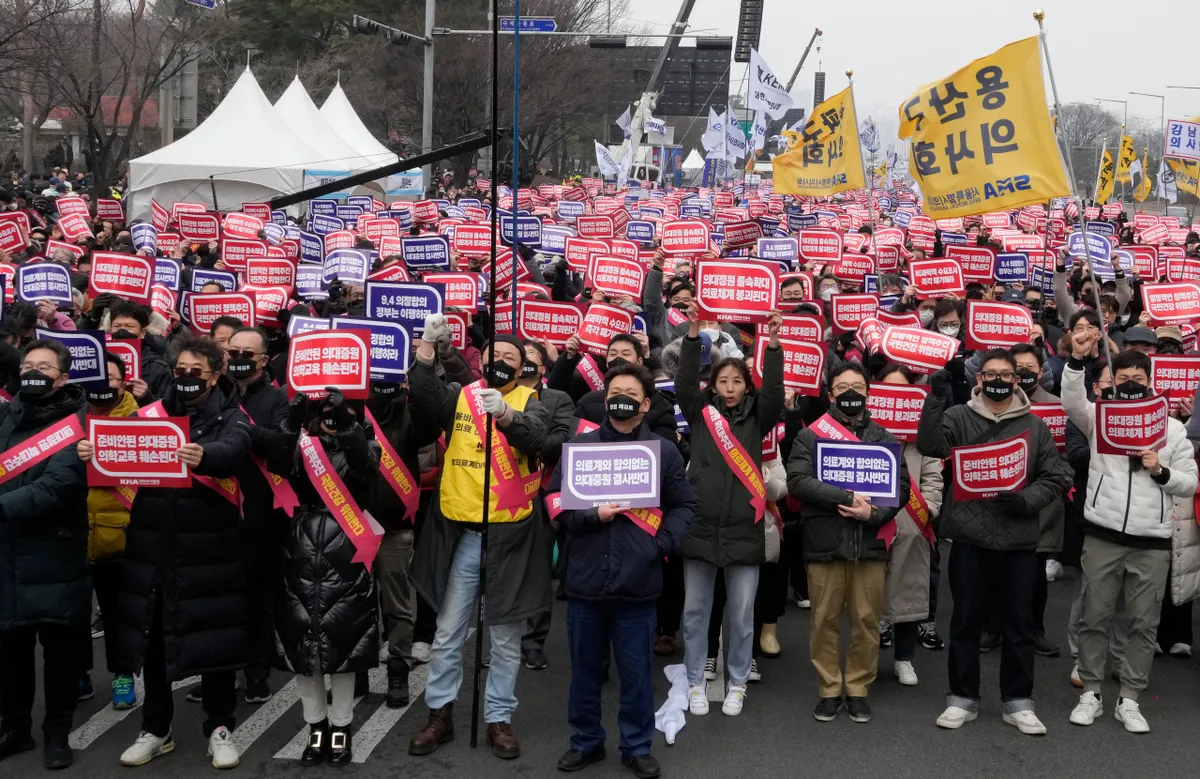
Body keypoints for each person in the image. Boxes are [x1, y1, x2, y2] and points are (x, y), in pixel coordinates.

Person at [99, 337, 252, 769]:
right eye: (180, 369)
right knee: (153, 640)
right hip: (152, 546)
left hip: (210, 549)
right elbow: (117, 453)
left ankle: (220, 727)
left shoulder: (230, 417)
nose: (186, 377)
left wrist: (204, 456)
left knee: (214, 640)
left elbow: (233, 452)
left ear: (215, 376)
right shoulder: (150, 416)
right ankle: (156, 728)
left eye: (197, 371)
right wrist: (95, 454)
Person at [407, 317, 552, 760]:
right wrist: (428, 351)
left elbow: (538, 439)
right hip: (463, 534)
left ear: (525, 366)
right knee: (449, 632)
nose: (503, 363)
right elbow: (428, 402)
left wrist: (506, 415)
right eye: (495, 357)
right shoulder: (461, 395)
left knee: (506, 638)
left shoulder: (535, 400)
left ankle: (498, 717)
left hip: (511, 537)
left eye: (512, 358)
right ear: (482, 362)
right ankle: (440, 713)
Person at [550, 362, 695, 779]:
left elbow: (685, 506)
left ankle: (636, 745)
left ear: (646, 404)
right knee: (584, 674)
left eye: (630, 392)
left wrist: (661, 545)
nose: (621, 397)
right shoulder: (581, 448)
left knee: (635, 676)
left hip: (638, 582)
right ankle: (586, 742)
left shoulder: (663, 452)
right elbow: (555, 502)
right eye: (614, 390)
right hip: (584, 582)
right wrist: (593, 515)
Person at [917, 348, 1071, 735]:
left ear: (1017, 381)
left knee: (1019, 625)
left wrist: (1027, 501)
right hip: (969, 540)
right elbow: (931, 445)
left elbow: (1058, 476)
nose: (998, 380)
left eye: (1007, 374)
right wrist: (935, 397)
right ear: (979, 379)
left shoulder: (1035, 427)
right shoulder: (957, 416)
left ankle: (1018, 701)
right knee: (965, 622)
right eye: (991, 374)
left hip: (1019, 542)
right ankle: (962, 698)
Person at [1061, 344, 1197, 733]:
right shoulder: (1098, 418)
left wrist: (1161, 470)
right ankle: (1090, 692)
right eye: (1123, 380)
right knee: (1094, 617)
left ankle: (1130, 699)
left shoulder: (1172, 428)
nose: (1132, 385)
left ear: (1151, 382)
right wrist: (1075, 361)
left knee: (1143, 624)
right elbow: (1071, 401)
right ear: (1112, 384)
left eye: (1139, 379)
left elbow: (1189, 482)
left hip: (1151, 542)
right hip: (1102, 535)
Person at [675, 303, 784, 718]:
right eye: (723, 380)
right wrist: (691, 334)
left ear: (746, 386)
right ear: (714, 385)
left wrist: (772, 346)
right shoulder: (700, 415)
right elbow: (685, 382)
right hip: (701, 526)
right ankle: (695, 682)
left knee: (741, 615)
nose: (731, 387)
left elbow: (773, 393)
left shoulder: (760, 418)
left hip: (744, 527)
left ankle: (737, 682)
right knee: (695, 612)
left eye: (738, 381)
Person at [787, 363, 910, 723]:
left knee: (866, 621)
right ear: (830, 394)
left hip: (869, 545)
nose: (851, 393)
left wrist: (870, 515)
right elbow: (797, 480)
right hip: (824, 542)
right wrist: (846, 496)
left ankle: (857, 688)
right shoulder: (811, 436)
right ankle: (828, 688)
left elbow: (899, 489)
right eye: (843, 387)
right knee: (823, 620)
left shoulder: (883, 438)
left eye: (858, 386)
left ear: (869, 393)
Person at [267, 388, 380, 765]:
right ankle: (315, 725)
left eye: (343, 407)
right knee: (306, 648)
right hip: (300, 547)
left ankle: (342, 725)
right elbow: (278, 464)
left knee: (343, 645)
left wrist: (349, 425)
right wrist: (291, 419)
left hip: (347, 547)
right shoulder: (304, 443)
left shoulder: (365, 439)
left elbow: (366, 466)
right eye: (327, 408)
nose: (333, 414)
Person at [0, 339, 88, 769]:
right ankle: (15, 728)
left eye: (44, 366)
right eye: (27, 365)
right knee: (10, 656)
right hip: (6, 558)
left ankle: (57, 732)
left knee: (60, 658)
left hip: (56, 555)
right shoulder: (4, 417)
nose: (33, 372)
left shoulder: (78, 426)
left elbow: (58, 486)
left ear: (63, 377)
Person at [366, 371, 443, 709]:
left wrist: (412, 395)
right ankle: (354, 672)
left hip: (395, 526)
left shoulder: (408, 411)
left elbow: (430, 429)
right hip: (351, 522)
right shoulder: (351, 407)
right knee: (355, 604)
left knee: (397, 604)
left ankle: (398, 669)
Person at [223, 326, 290, 704]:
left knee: (258, 597)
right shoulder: (215, 393)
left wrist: (245, 429)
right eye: (233, 351)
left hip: (262, 512)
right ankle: (223, 671)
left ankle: (257, 672)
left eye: (248, 353)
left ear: (264, 359)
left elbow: (282, 444)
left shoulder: (277, 399)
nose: (239, 359)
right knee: (222, 597)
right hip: (218, 509)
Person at [874, 364, 943, 689]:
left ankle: (904, 659)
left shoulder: (923, 435)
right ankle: (866, 659)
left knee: (908, 594)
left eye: (903, 392)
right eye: (889, 391)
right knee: (867, 594)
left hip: (912, 521)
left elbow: (933, 476)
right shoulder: (865, 430)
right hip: (870, 520)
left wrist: (928, 507)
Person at [82, 351, 139, 711]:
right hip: (71, 533)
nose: (104, 384)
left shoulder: (142, 420)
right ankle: (76, 672)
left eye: (112, 378)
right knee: (71, 615)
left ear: (124, 382)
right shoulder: (68, 421)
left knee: (116, 612)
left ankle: (123, 673)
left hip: (117, 533)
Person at [517, 339, 574, 672]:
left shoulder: (557, 398)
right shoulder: (493, 395)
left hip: (539, 494)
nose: (523, 362)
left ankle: (533, 641)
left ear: (542, 368)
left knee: (538, 572)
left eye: (530, 358)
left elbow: (563, 441)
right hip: (500, 497)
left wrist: (522, 435)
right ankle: (505, 638)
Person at [108, 300, 172, 399]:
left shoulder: (158, 368)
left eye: (129, 326)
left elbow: (167, 409)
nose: (122, 331)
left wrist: (146, 397)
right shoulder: (99, 362)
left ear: (143, 332)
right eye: (117, 326)